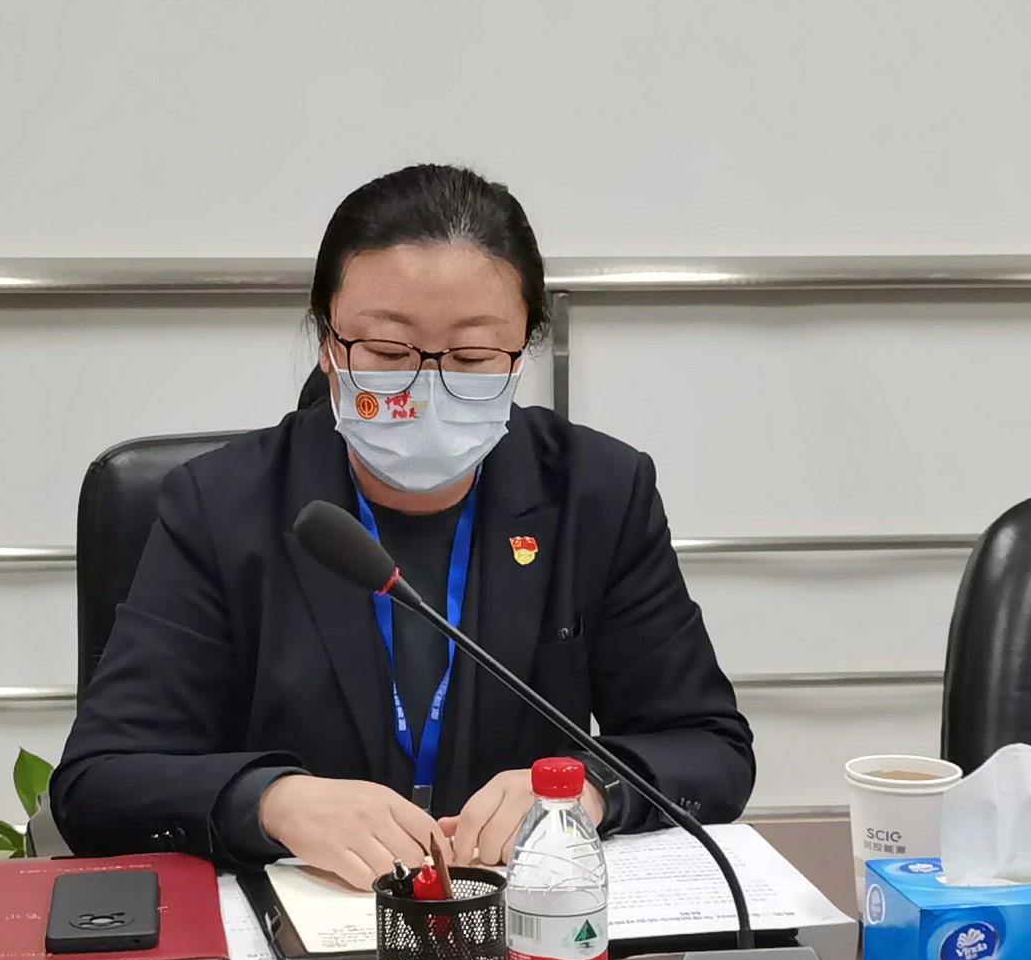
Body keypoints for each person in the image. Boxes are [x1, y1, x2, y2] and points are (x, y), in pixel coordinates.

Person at [51, 164, 755, 888]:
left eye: (473, 356)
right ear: (329, 344)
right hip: (306, 922)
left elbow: (709, 746)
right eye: (388, 354)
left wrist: (586, 790)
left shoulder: (597, 492)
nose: (428, 385)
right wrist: (271, 801)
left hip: (517, 918)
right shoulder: (220, 503)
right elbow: (100, 779)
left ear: (521, 352)